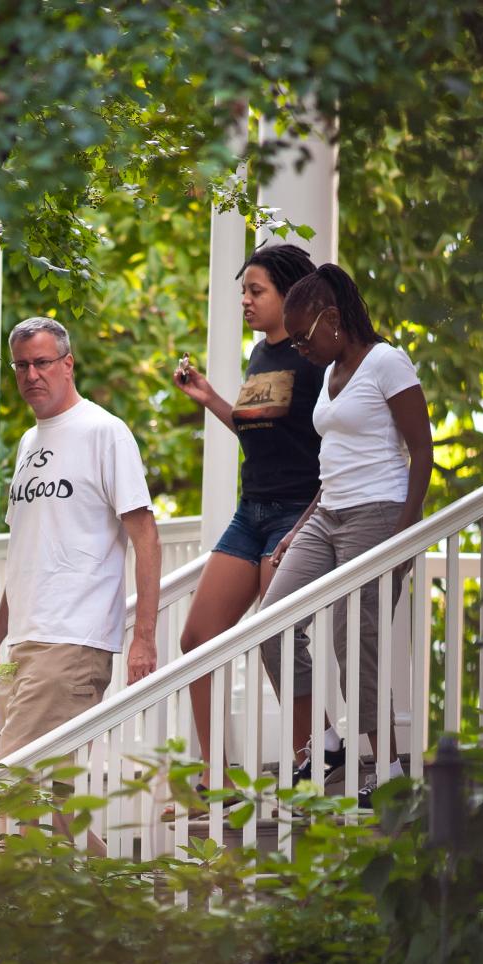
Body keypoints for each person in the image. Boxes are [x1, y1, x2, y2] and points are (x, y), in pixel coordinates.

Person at [0, 316, 161, 846]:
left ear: (67, 363)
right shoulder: (28, 445)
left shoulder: (104, 432)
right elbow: (26, 554)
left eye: (42, 362)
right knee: (45, 803)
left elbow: (145, 536)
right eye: (21, 366)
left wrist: (142, 635)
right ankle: (104, 913)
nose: (32, 374)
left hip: (73, 640)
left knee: (7, 786)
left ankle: (10, 917)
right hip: (25, 645)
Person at [259, 264, 434, 807]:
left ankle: (386, 768)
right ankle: (330, 743)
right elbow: (330, 467)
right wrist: (299, 527)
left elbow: (422, 453)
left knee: (352, 638)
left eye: (305, 336)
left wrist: (402, 538)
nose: (300, 349)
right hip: (326, 515)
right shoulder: (331, 373)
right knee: (273, 625)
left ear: (333, 319)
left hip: (377, 516)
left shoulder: (386, 362)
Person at [172, 244, 324, 800]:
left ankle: (309, 762)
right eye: (244, 291)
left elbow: (328, 444)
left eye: (255, 290)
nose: (245, 301)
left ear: (291, 295)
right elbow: (259, 432)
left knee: (278, 636)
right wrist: (210, 396)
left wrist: (304, 522)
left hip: (295, 510)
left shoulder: (316, 359)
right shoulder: (260, 355)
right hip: (250, 510)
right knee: (197, 637)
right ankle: (219, 774)